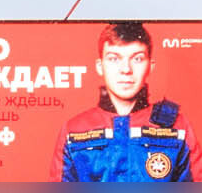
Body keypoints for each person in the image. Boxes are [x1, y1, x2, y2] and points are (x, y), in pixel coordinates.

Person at [57, 20, 194, 183]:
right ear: (100, 66)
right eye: (114, 59)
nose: (126, 69)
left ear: (150, 66)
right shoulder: (73, 130)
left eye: (137, 59)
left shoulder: (178, 127)